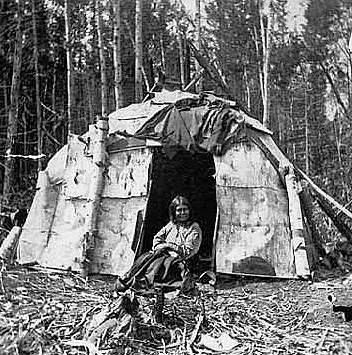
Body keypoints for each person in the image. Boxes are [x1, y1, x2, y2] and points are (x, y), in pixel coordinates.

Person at [115, 195, 202, 294]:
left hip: (181, 261)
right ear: (174, 212)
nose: (182, 213)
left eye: (185, 210)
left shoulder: (194, 228)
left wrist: (168, 246)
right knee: (146, 257)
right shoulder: (171, 225)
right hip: (165, 255)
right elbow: (157, 239)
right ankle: (129, 279)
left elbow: (188, 251)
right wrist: (164, 247)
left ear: (189, 210)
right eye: (179, 210)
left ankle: (141, 284)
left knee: (159, 263)